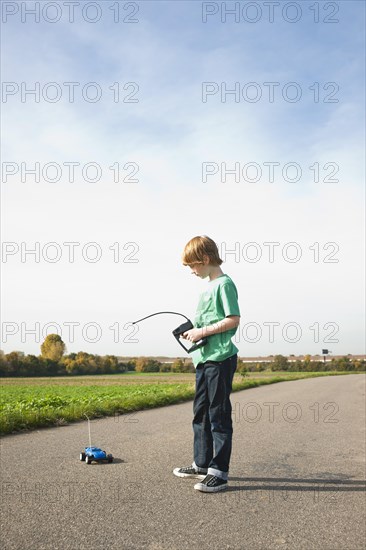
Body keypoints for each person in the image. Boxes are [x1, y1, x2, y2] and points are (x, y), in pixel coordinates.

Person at [173, 235, 240, 493]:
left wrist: (203, 332)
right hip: (202, 358)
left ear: (206, 259)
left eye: (193, 265)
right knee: (200, 411)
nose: (191, 271)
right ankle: (201, 463)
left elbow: (233, 319)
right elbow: (207, 322)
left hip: (220, 358)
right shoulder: (207, 286)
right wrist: (193, 331)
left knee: (218, 414)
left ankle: (219, 472)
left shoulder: (225, 284)